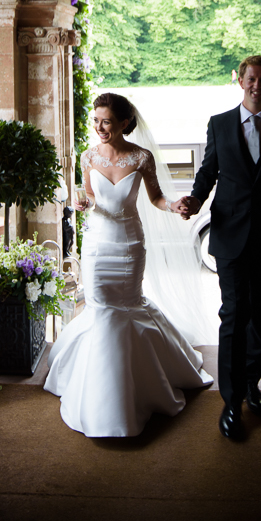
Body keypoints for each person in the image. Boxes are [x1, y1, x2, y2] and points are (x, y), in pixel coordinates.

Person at [44, 92, 213, 438]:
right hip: (96, 245)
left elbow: (156, 198)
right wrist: (81, 201)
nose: (99, 127)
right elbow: (89, 197)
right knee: (101, 308)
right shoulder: (88, 156)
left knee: (126, 306)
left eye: (106, 121)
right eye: (96, 121)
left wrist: (175, 205)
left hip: (129, 245)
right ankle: (100, 392)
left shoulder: (141, 157)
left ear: (123, 123)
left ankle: (133, 389)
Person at [178, 56, 261, 442]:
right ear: (240, 80)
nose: (256, 85)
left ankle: (253, 383)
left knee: (257, 314)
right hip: (229, 233)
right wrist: (194, 201)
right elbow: (208, 172)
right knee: (233, 313)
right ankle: (231, 401)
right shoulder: (219, 124)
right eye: (250, 78)